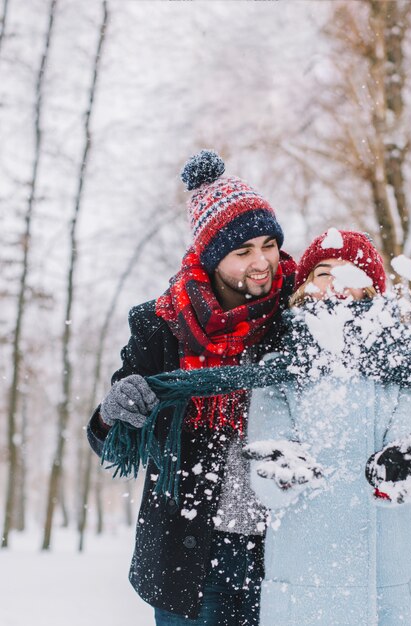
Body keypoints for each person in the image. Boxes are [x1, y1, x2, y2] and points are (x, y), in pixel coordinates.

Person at [86, 149, 296, 625]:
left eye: (268, 244)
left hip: (281, 549)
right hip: (187, 557)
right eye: (243, 252)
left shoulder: (295, 317)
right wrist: (115, 411)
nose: (262, 262)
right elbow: (108, 438)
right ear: (210, 256)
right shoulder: (159, 326)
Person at [244, 230, 411, 626]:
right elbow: (265, 466)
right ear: (305, 288)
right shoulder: (279, 366)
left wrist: (400, 465)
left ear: (369, 289)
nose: (335, 281)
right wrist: (282, 473)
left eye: (349, 272)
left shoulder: (403, 362)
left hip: (388, 576)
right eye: (322, 272)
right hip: (305, 579)